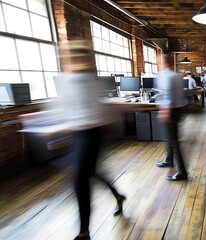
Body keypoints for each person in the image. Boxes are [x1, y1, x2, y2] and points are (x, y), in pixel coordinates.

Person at [50, 40, 126, 240]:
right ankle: (118, 196)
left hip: (91, 135)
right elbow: (65, 108)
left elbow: (98, 111)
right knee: (90, 173)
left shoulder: (89, 81)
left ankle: (84, 232)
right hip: (78, 134)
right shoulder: (69, 81)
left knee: (79, 180)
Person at [154, 54, 188, 181]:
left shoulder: (165, 76)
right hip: (178, 110)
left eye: (158, 62)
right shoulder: (176, 75)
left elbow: (167, 95)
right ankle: (169, 160)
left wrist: (164, 111)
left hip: (170, 111)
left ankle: (182, 172)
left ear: (162, 63)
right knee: (170, 139)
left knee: (174, 142)